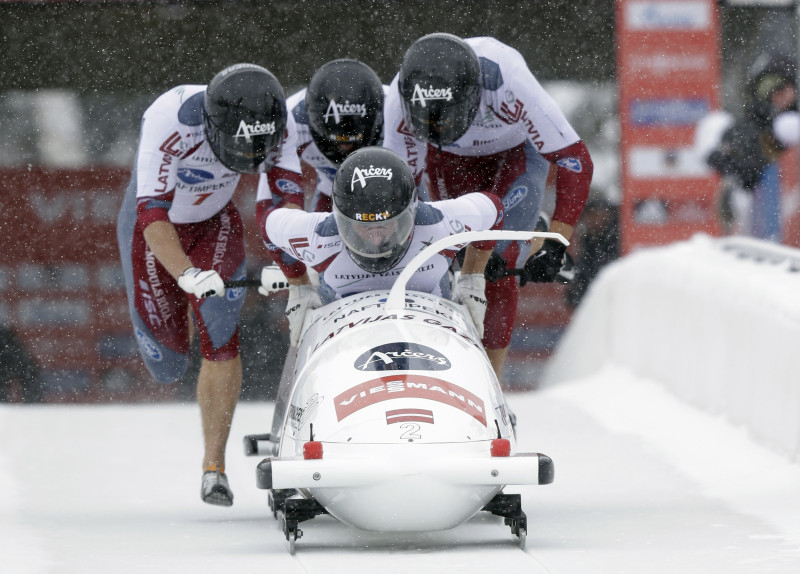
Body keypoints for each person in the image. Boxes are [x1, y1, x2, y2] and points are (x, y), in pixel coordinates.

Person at [117, 63, 305, 507]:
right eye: (240, 147)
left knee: (221, 330)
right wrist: (186, 275)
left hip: (213, 222)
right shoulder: (169, 119)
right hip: (155, 231)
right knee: (167, 366)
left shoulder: (281, 127)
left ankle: (213, 468)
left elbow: (285, 201)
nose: (249, 156)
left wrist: (286, 260)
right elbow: (151, 218)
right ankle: (180, 307)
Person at [382, 33, 593, 381]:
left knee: (498, 258)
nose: (441, 128)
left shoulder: (505, 78)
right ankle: (434, 370)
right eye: (429, 123)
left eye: (448, 119)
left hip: (513, 156)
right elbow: (398, 188)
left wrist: (557, 241)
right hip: (444, 160)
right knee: (438, 255)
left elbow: (574, 159)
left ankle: (491, 384)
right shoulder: (398, 103)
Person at [260, 146, 504, 347]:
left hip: (430, 335)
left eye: (388, 225)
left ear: (411, 212)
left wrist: (473, 278)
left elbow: (494, 209)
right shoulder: (318, 235)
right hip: (344, 341)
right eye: (363, 226)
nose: (375, 239)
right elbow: (268, 227)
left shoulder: (439, 224)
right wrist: (299, 286)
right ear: (340, 218)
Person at [703, 51, 799, 241]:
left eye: (782, 85)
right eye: (768, 87)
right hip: (766, 238)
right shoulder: (749, 129)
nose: (776, 93)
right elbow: (738, 166)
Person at [285, 58, 386, 212]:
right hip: (331, 189)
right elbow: (276, 195)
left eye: (353, 140)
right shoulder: (291, 120)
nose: (346, 147)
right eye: (339, 141)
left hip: (388, 188)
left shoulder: (392, 109)